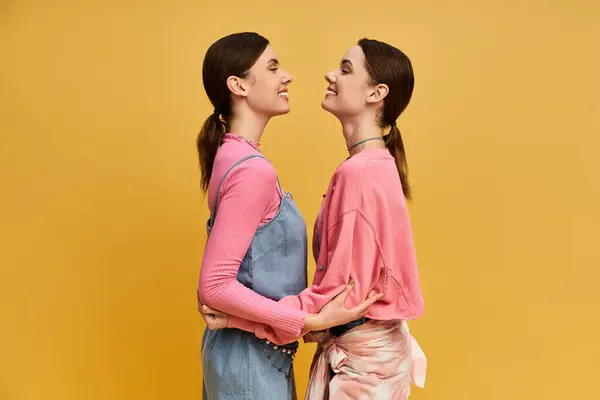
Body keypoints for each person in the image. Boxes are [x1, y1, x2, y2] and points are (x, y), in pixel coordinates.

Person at [196, 32, 383, 400]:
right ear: (239, 85)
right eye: (273, 67)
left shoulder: (233, 157)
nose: (287, 77)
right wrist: (309, 320)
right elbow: (215, 285)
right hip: (249, 359)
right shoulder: (251, 170)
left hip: (248, 353)